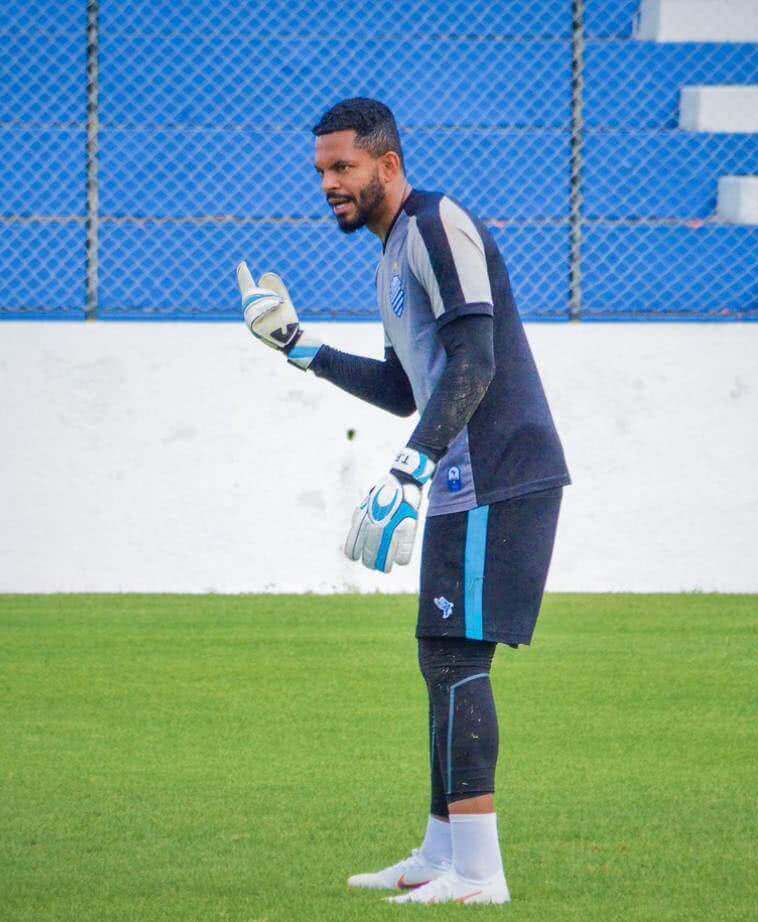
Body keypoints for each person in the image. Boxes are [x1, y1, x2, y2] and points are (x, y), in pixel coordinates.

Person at [235, 97, 570, 906]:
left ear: (387, 163)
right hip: (464, 477)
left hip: (499, 472)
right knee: (440, 656)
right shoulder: (391, 253)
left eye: (342, 167)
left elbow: (475, 358)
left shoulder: (435, 223)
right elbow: (405, 383)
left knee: (458, 660)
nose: (328, 183)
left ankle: (481, 874)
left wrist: (412, 468)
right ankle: (437, 852)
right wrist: (299, 347)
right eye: (320, 171)